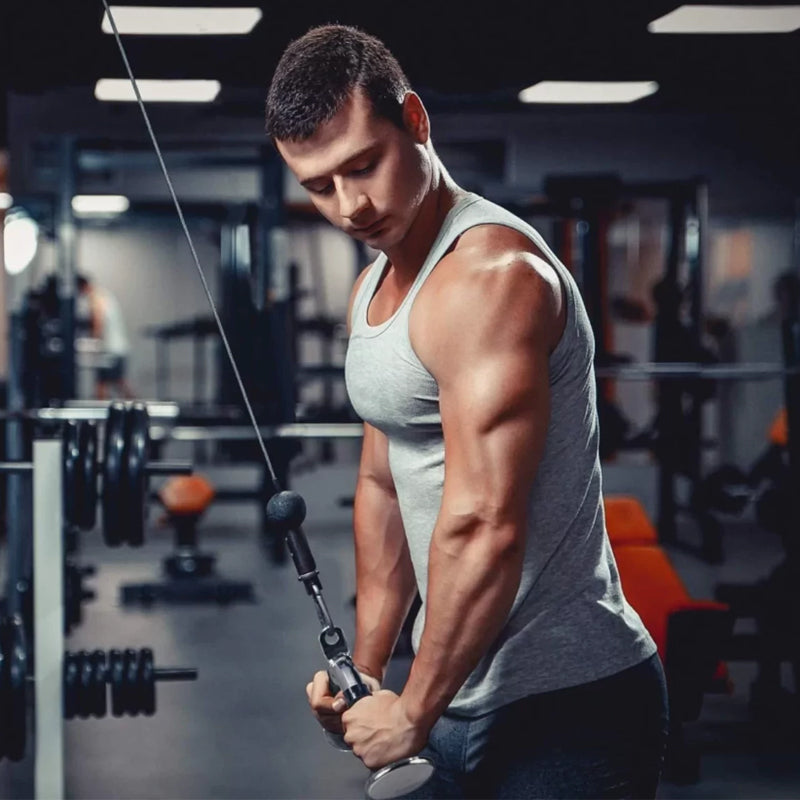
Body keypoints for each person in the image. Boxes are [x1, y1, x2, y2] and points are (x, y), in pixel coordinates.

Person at [265, 25, 668, 798]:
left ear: (416, 121)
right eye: (319, 186)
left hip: (566, 700)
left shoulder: (491, 277)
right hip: (452, 687)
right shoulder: (373, 288)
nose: (350, 206)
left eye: (364, 166)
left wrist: (412, 710)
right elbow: (382, 486)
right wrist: (367, 670)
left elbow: (484, 521)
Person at [76, 274, 134, 400]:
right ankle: (135, 407)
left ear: (82, 287)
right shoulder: (103, 295)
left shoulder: (96, 297)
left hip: (111, 349)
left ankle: (104, 410)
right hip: (116, 348)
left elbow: (98, 321)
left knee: (104, 383)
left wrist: (92, 342)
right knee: (115, 382)